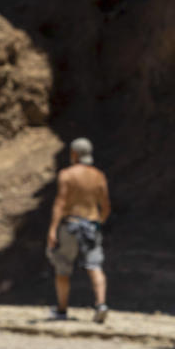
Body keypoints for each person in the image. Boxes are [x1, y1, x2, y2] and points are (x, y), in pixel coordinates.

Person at [46, 137, 111, 323]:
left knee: (63, 267)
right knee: (95, 265)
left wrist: (52, 228)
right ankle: (101, 304)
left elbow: (60, 202)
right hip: (91, 225)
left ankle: (62, 309)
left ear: (74, 154)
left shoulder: (66, 175)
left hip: (70, 225)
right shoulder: (99, 176)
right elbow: (105, 206)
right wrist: (99, 222)